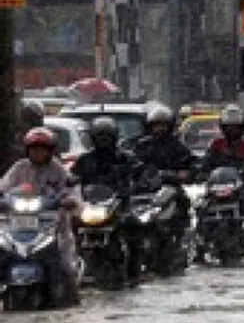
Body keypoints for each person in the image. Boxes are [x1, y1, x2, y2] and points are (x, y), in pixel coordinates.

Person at [0, 128, 81, 307]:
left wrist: (69, 201)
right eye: (34, 149)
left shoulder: (58, 169)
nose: (38, 152)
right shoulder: (19, 168)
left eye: (42, 149)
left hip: (52, 225)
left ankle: (68, 299)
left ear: (50, 151)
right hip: (18, 224)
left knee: (64, 264)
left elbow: (72, 191)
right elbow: (3, 186)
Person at [72, 117, 143, 285]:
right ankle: (69, 268)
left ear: (115, 137)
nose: (103, 141)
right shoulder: (85, 160)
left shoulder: (125, 157)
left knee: (135, 227)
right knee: (68, 227)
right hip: (90, 206)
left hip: (118, 205)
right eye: (99, 136)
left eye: (107, 137)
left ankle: (134, 272)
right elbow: (72, 177)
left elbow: (139, 173)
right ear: (92, 138)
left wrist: (138, 182)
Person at [199, 105, 244, 263]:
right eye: (229, 127)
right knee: (200, 211)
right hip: (216, 191)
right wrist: (201, 173)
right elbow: (205, 165)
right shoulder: (216, 145)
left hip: (240, 190)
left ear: (242, 128)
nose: (232, 131)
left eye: (235, 127)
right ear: (223, 128)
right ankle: (199, 247)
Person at [131, 105, 195, 243]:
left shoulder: (177, 146)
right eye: (156, 125)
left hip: (169, 188)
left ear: (170, 126)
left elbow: (189, 166)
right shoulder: (142, 146)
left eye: (163, 125)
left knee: (183, 202)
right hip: (144, 190)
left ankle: (181, 237)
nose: (160, 129)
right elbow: (131, 164)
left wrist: (181, 174)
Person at [8, 100, 46, 169]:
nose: (22, 124)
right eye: (23, 119)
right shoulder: (16, 139)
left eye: (26, 119)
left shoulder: (46, 140)